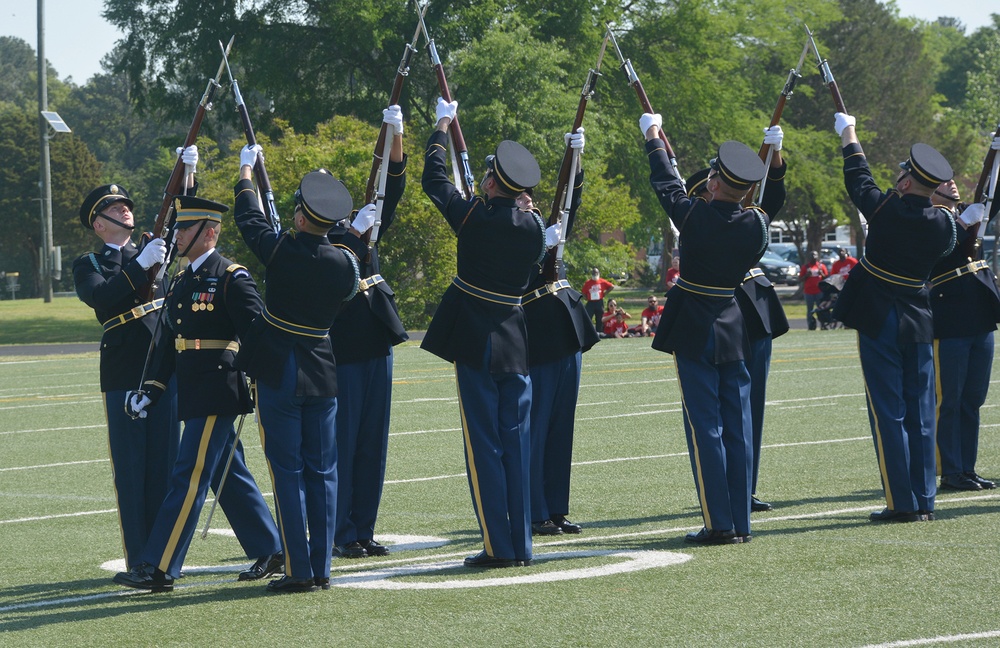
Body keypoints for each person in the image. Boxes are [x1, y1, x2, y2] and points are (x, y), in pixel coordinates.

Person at [113, 196, 283, 593]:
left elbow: (257, 336)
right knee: (227, 473)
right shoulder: (182, 279)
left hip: (217, 390)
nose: (177, 236)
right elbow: (169, 340)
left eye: (184, 230)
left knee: (188, 474)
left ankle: (159, 567)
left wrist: (257, 385)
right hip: (193, 389)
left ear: (208, 233)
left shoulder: (231, 277)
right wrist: (150, 391)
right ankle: (272, 547)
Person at [421, 97, 557, 569]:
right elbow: (532, 237)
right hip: (516, 340)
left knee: (484, 445)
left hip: (476, 339)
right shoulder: (533, 228)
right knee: (515, 445)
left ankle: (499, 547)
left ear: (493, 180)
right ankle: (520, 545)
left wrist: (442, 126)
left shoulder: (475, 217)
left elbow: (433, 179)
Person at [232, 145, 372, 592]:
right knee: (323, 473)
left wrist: (246, 172)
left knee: (288, 472)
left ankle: (298, 570)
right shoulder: (345, 262)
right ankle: (322, 569)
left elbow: (249, 218)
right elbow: (348, 291)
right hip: (322, 368)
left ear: (298, 217)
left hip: (280, 369)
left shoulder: (281, 250)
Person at [641, 112, 780, 544]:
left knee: (707, 427)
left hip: (695, 325)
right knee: (737, 427)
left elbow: (666, 184)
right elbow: (760, 206)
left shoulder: (696, 217)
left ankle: (719, 523)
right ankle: (740, 522)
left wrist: (652, 137)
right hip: (734, 322)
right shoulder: (754, 224)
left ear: (715, 183)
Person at [831, 112, 957, 522]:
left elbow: (858, 177)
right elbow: (935, 220)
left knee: (890, 411)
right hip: (918, 318)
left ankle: (900, 502)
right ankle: (925, 501)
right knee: (921, 413)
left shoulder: (886, 209)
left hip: (880, 316)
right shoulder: (943, 225)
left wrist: (848, 133)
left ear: (905, 181)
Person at [73, 157, 194, 571]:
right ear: (99, 225)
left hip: (164, 365)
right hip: (125, 369)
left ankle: (162, 558)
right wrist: (138, 265)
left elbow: (186, 222)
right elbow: (102, 298)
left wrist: (187, 177)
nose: (125, 208)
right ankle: (140, 559)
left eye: (126, 204)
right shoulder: (89, 265)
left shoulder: (151, 245)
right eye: (114, 208)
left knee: (165, 465)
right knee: (132, 469)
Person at [685, 131, 789, 514]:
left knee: (749, 409)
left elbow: (772, 198)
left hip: (752, 309)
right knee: (718, 412)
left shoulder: (748, 217)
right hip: (722, 310)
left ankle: (744, 487)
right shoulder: (703, 217)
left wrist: (774, 158)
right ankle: (727, 493)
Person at [329, 106, 409, 559]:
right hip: (343, 347)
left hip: (377, 341)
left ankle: (364, 528)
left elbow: (391, 185)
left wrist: (395, 133)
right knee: (344, 441)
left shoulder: (364, 226)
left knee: (372, 444)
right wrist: (353, 234)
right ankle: (342, 531)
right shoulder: (324, 238)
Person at [518, 129, 600, 537]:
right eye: (520, 197)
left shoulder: (545, 226)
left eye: (530, 195)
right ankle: (534, 510)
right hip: (539, 333)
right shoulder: (504, 232)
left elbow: (570, 202)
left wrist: (576, 161)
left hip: (568, 331)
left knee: (560, 427)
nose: (529, 200)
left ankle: (556, 507)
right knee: (537, 426)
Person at [928, 175, 1000, 492]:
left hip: (979, 314)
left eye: (953, 180)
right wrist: (960, 223)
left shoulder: (970, 212)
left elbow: (993, 197)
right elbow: (938, 250)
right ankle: (949, 470)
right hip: (950, 315)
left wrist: (996, 162)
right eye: (943, 182)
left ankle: (967, 468)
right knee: (949, 399)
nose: (952, 184)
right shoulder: (926, 218)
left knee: (972, 399)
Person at [800, 251, 828, 331]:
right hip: (808, 292)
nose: (813, 256)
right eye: (812, 255)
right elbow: (800, 279)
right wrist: (806, 275)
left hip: (819, 291)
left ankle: (823, 325)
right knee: (810, 310)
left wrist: (821, 274)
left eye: (815, 255)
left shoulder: (821, 266)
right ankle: (810, 325)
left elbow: (826, 278)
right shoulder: (805, 267)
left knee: (821, 308)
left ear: (817, 256)